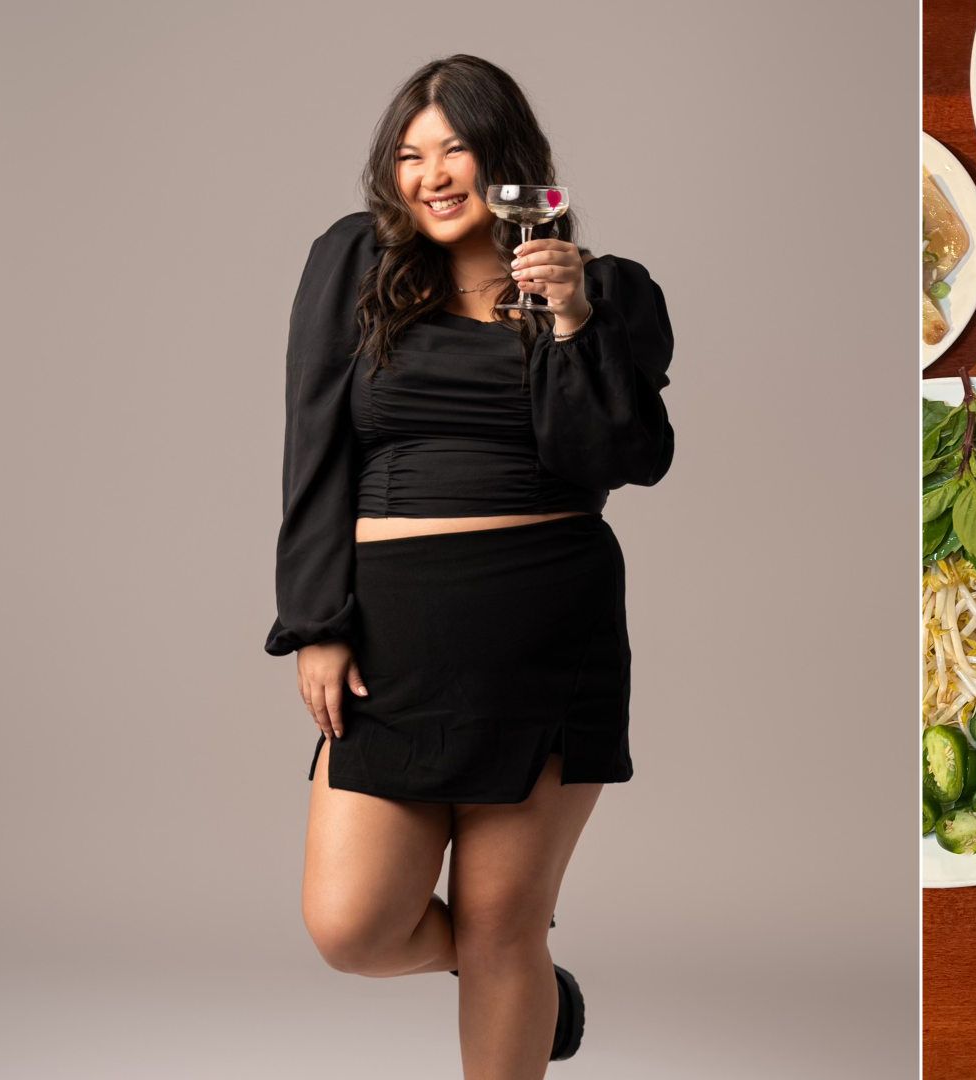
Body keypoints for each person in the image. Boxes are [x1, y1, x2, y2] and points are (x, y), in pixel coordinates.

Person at [264, 54, 673, 1077]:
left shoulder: (610, 290)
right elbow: (313, 442)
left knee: (503, 925)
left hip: (547, 633)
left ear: (509, 163)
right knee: (351, 926)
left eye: (454, 148)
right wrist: (316, 619)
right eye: (409, 154)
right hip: (394, 638)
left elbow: (623, 463)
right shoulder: (355, 264)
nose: (430, 173)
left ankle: (515, 976)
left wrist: (573, 322)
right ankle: (533, 989)